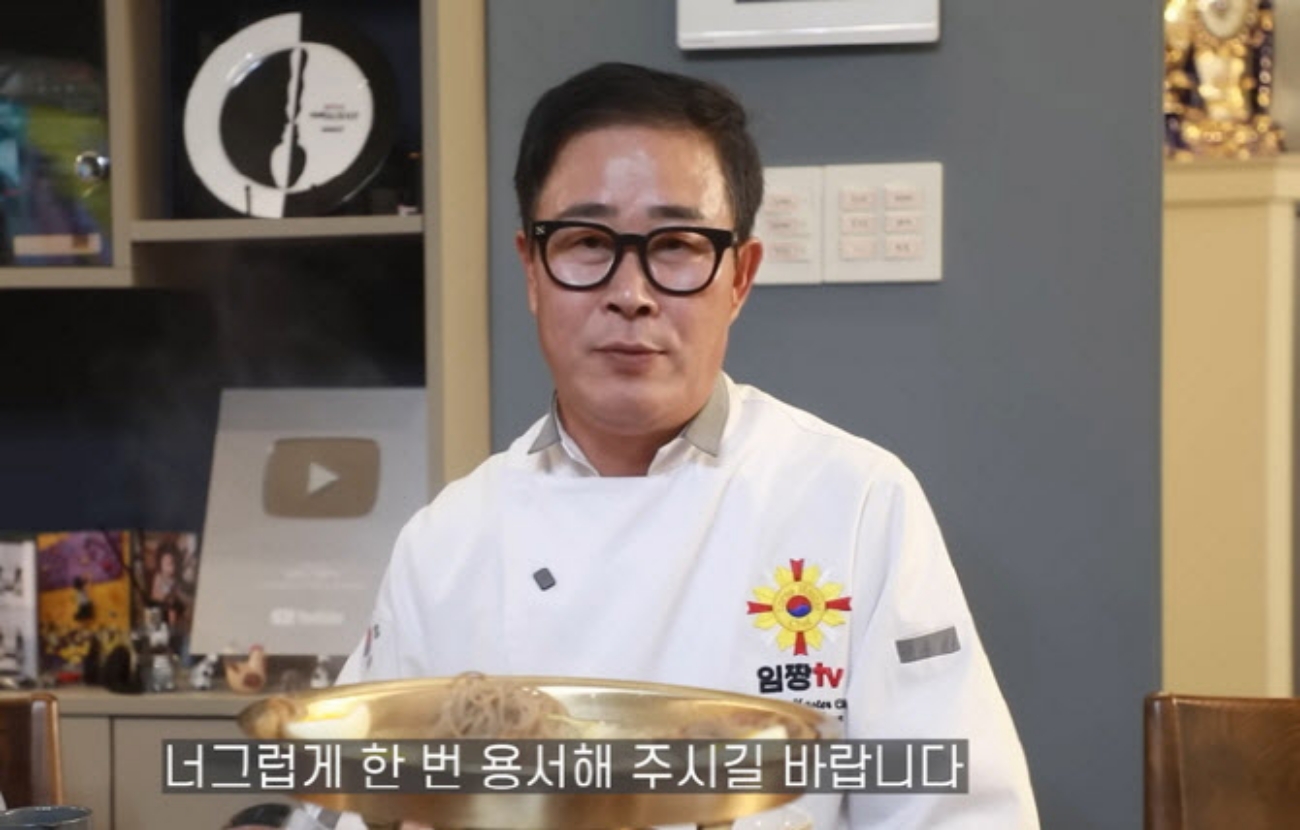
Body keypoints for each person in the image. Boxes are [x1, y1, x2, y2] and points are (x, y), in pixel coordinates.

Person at [338, 61, 1039, 828]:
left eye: (676, 244)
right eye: (586, 241)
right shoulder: (446, 543)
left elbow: (958, 812)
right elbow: (351, 800)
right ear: (532, 270)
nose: (630, 294)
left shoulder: (857, 502)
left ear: (740, 277)